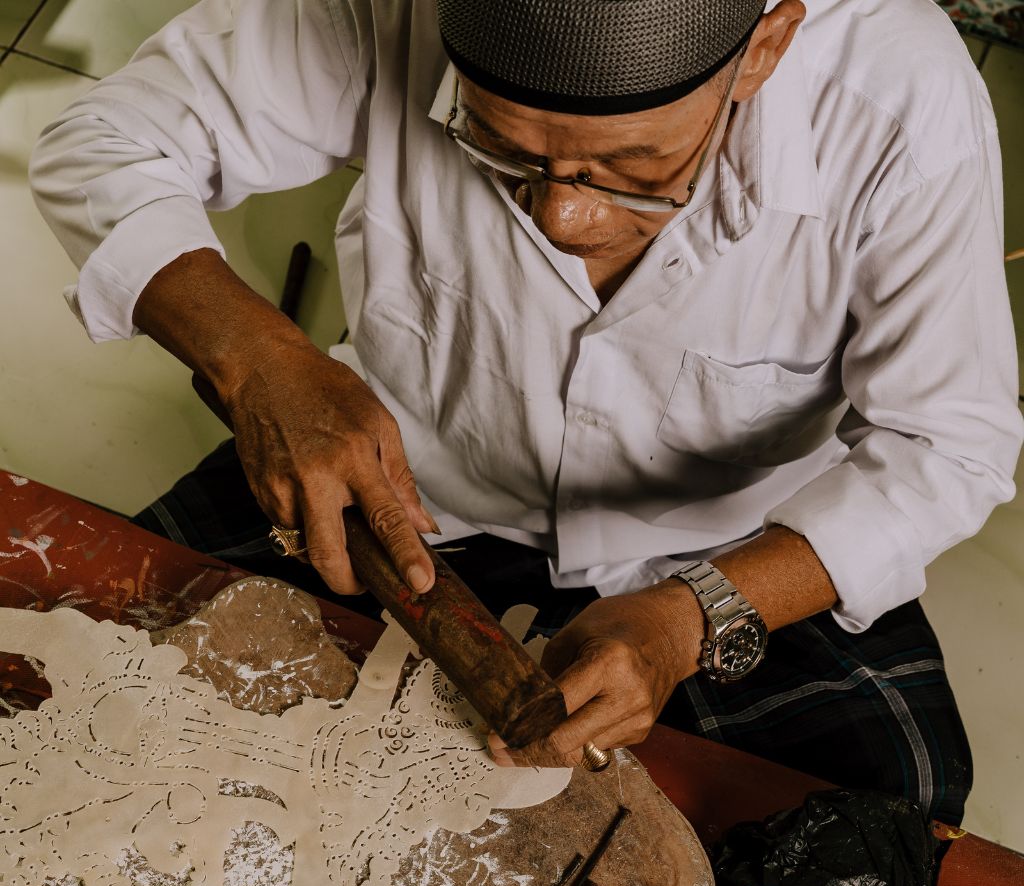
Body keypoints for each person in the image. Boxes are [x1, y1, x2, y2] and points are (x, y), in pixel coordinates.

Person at [30, 0, 1022, 824]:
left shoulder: (896, 98)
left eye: (633, 169)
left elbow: (945, 445)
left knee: (880, 825)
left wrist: (694, 618)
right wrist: (260, 359)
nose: (563, 219)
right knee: (82, 704)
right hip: (403, 494)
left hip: (728, 554)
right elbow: (102, 139)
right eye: (500, 148)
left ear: (761, 49)